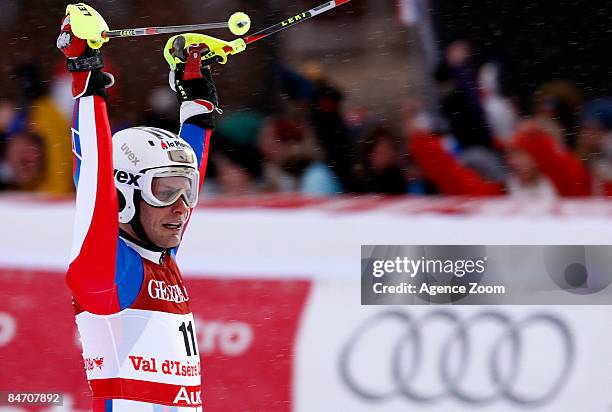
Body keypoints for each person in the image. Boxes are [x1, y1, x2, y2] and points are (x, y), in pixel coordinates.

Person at [57, 12, 219, 411]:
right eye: (164, 193)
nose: (181, 209)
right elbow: (94, 178)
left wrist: (197, 102)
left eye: (188, 193)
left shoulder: (159, 255)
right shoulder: (111, 272)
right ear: (125, 194)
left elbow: (187, 170)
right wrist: (86, 77)